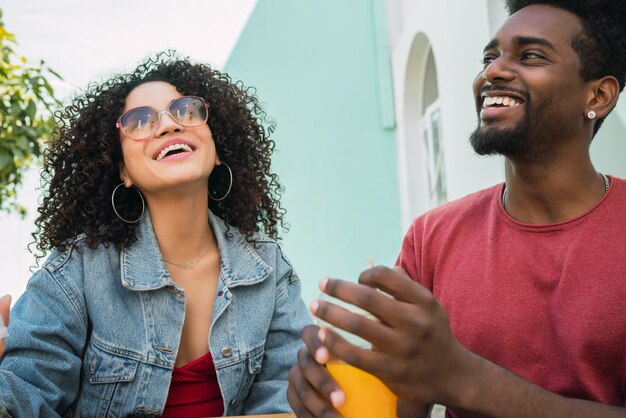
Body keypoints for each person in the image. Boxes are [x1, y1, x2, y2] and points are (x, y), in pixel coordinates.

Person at [287, 1, 626, 417]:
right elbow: (403, 406)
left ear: (598, 95)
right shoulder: (432, 238)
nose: (492, 72)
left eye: (530, 55)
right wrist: (333, 393)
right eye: (489, 57)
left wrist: (465, 378)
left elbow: (453, 376)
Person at [0, 52, 312, 417]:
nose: (168, 125)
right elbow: (25, 394)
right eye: (139, 120)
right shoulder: (76, 271)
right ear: (123, 172)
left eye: (186, 110)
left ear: (216, 150)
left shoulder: (268, 267)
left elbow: (288, 398)